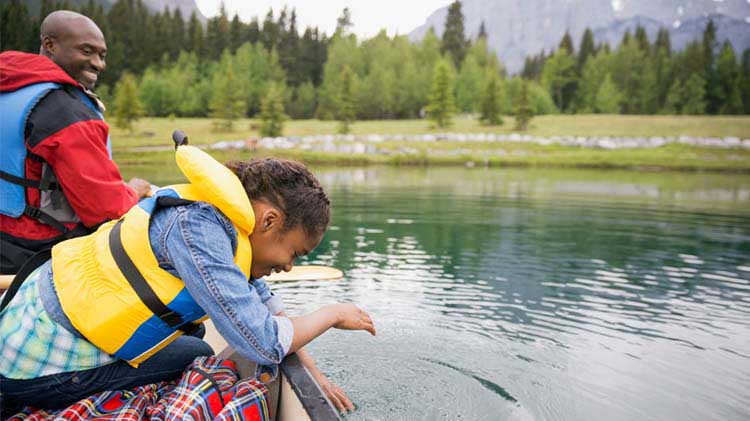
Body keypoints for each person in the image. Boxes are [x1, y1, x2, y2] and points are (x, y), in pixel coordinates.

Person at [0, 142, 375, 415]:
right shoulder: (200, 233)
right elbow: (261, 343)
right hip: (31, 366)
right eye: (294, 253)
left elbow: (262, 299)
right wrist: (332, 314)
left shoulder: (216, 218)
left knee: (191, 334)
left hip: (29, 331)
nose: (289, 266)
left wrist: (315, 374)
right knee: (196, 351)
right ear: (270, 221)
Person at [0, 10, 150, 275]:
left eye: (102, 55)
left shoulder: (10, 86)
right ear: (50, 45)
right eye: (87, 51)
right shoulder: (65, 113)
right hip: (38, 249)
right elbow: (107, 211)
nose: (98, 64)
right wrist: (134, 190)